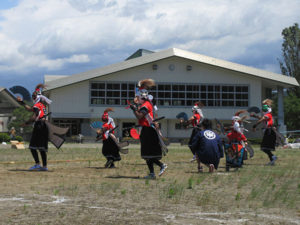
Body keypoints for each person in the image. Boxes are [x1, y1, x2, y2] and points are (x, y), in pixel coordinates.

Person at [130, 79, 167, 179]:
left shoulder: (146, 105)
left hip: (148, 130)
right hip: (147, 130)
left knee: (149, 153)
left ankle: (161, 165)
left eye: (138, 96)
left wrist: (133, 108)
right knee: (147, 154)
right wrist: (136, 106)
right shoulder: (144, 104)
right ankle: (151, 174)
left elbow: (139, 116)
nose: (136, 98)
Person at [17, 84, 52, 171]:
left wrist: (26, 123)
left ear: (36, 97)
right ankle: (44, 167)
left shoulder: (37, 105)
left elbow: (34, 115)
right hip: (44, 126)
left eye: (33, 96)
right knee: (41, 148)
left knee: (32, 147)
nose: (32, 97)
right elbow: (29, 109)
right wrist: (22, 102)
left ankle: (37, 164)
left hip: (39, 126)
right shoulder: (41, 105)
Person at [252, 99, 277, 165]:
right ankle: (272, 159)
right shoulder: (268, 115)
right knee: (265, 147)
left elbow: (262, 119)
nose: (263, 111)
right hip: (269, 131)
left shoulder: (268, 115)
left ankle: (272, 157)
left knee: (264, 147)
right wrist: (255, 116)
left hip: (269, 131)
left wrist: (254, 125)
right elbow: (262, 119)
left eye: (263, 110)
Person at [187, 101, 204, 172]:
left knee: (191, 144)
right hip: (197, 130)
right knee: (194, 144)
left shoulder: (196, 115)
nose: (193, 111)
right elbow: (192, 121)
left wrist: (186, 121)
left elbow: (191, 119)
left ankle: (195, 155)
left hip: (196, 131)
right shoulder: (197, 115)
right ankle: (196, 155)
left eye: (193, 110)